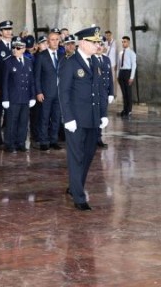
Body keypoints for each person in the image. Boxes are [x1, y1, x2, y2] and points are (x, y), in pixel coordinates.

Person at [58, 26, 109, 211]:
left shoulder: (96, 62)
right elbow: (63, 92)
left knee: (87, 156)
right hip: (76, 120)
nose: (97, 45)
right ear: (82, 43)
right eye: (94, 42)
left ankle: (74, 185)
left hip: (93, 119)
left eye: (98, 42)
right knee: (76, 156)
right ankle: (79, 196)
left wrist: (103, 114)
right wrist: (68, 118)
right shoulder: (70, 63)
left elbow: (101, 91)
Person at [1, 36, 36, 153]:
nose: (15, 49)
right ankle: (9, 144)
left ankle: (20, 143)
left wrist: (32, 96)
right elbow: (4, 82)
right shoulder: (8, 62)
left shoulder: (29, 61)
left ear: (24, 48)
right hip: (13, 98)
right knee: (11, 122)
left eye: (18, 47)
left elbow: (31, 81)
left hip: (25, 97)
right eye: (14, 47)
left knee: (23, 122)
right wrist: (5, 98)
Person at [34, 31, 62, 151]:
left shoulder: (62, 56)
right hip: (45, 93)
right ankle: (44, 141)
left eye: (57, 39)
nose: (55, 42)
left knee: (56, 118)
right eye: (52, 40)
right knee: (44, 118)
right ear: (48, 41)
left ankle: (53, 140)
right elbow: (37, 76)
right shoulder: (41, 56)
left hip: (59, 93)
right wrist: (38, 92)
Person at [0, 20, 14, 146]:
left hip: (13, 86)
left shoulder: (16, 45)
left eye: (10, 29)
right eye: (6, 30)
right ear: (0, 32)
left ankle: (9, 137)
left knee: (11, 113)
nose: (9, 32)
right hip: (0, 86)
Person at [95, 41, 115, 148]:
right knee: (94, 116)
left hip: (103, 93)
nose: (99, 47)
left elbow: (110, 78)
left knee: (102, 116)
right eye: (97, 44)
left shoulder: (106, 59)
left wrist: (111, 92)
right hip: (94, 92)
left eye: (101, 45)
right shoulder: (91, 59)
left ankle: (99, 138)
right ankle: (92, 139)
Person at [117, 36, 136, 118]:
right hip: (121, 73)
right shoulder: (120, 53)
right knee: (124, 93)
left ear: (128, 43)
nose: (123, 43)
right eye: (122, 41)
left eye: (125, 41)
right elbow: (118, 65)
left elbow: (134, 65)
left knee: (128, 93)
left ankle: (129, 110)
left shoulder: (132, 53)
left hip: (128, 72)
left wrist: (131, 77)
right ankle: (124, 109)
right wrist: (118, 75)